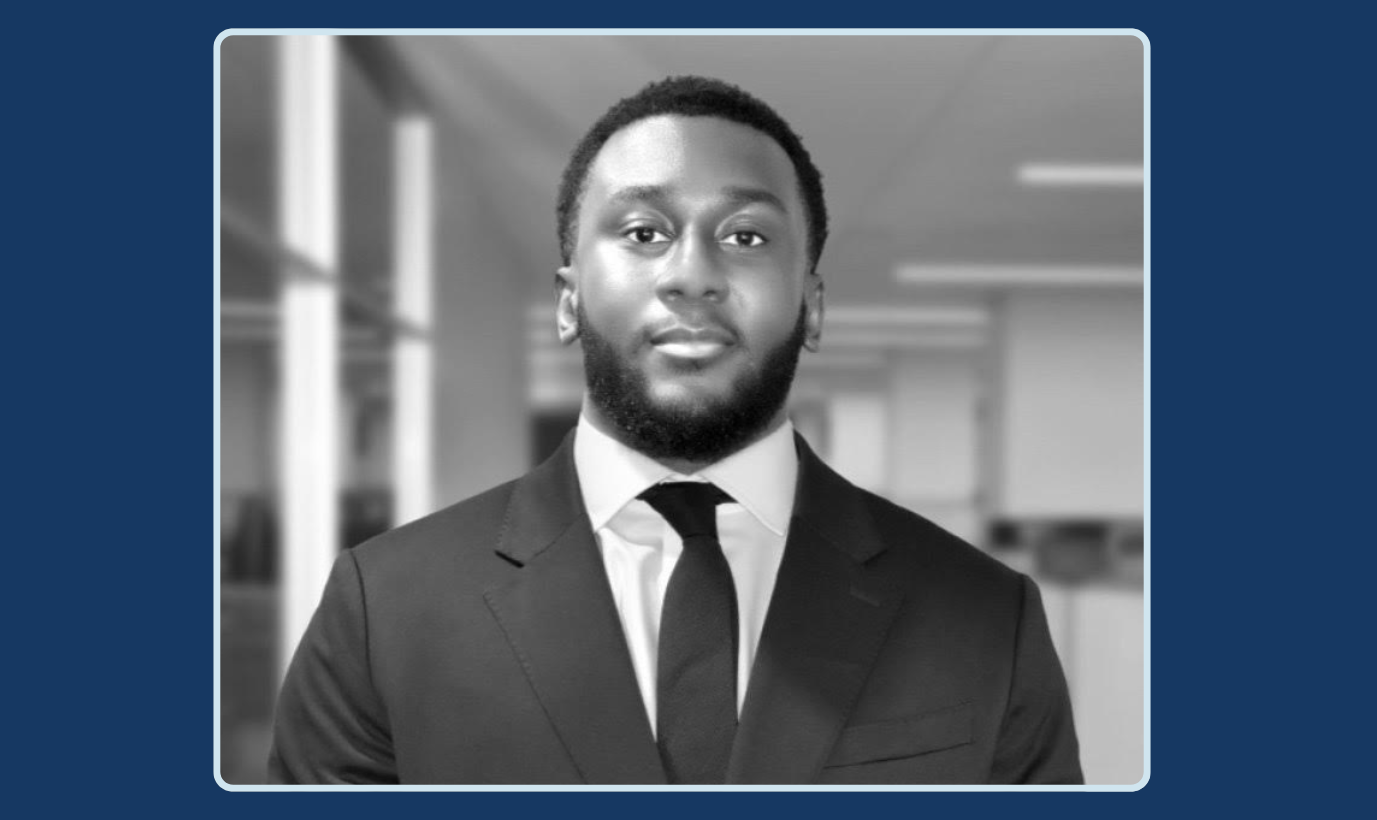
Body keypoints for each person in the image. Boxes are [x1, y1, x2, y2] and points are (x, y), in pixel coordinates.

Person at [267, 75, 1082, 786]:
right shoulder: (386, 610)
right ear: (567, 298)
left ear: (814, 303)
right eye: (642, 233)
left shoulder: (982, 616)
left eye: (747, 237)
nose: (692, 274)